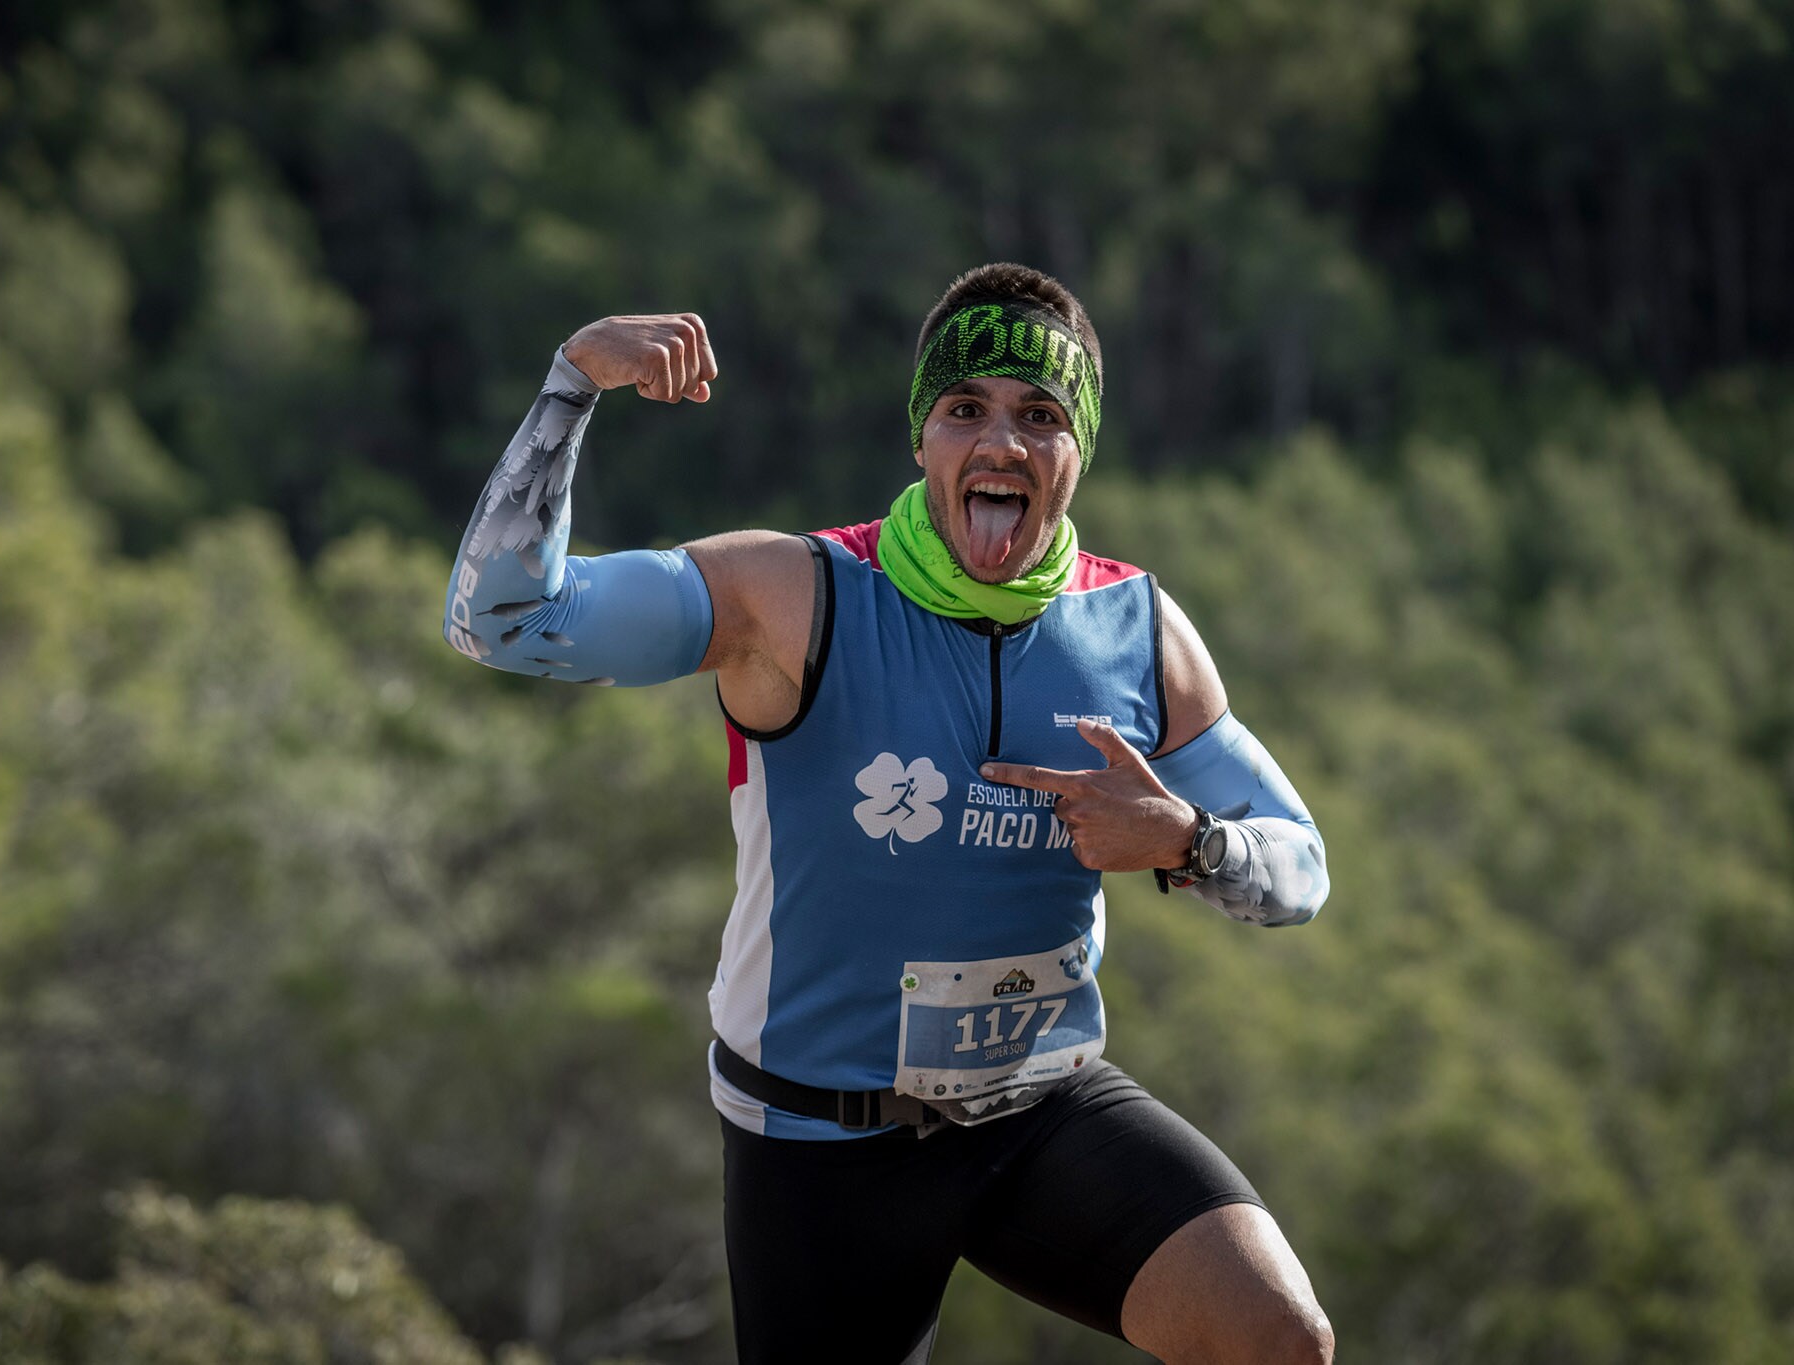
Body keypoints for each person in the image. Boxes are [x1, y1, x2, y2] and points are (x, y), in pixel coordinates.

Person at [444, 264, 1334, 1364]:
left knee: (1276, 1337)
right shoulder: (793, 596)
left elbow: (1299, 872)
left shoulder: (1138, 632)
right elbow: (501, 620)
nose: (999, 443)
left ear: (1076, 453)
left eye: (1039, 417)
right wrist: (572, 382)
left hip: (1038, 1112)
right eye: (965, 410)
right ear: (921, 439)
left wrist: (1187, 843)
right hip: (818, 1143)